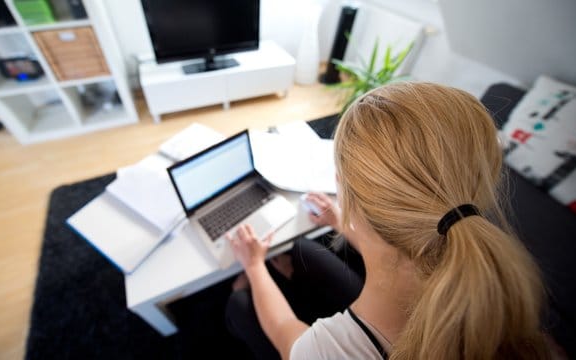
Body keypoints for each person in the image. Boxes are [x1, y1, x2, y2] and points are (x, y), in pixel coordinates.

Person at [224, 82, 551, 359]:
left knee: (240, 303)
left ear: (342, 188)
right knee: (302, 252)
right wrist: (340, 222)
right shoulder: (469, 253)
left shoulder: (325, 350)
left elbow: (287, 338)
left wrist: (252, 266)